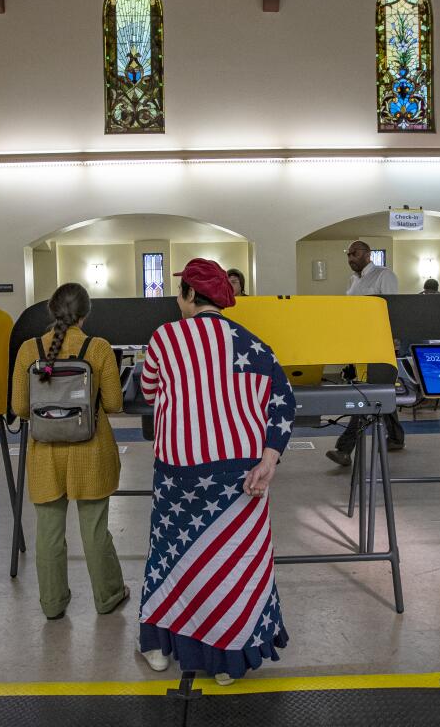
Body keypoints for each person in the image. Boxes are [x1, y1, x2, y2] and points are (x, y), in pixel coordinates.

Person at [136, 258, 296, 684]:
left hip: (178, 474)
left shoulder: (166, 337)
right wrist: (270, 458)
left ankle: (158, 645)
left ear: (189, 294)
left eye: (179, 291)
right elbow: (284, 402)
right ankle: (226, 661)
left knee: (171, 561)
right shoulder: (255, 344)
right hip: (239, 475)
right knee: (233, 564)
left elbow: (148, 390)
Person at [10, 282, 128, 620]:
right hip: (90, 451)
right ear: (86, 314)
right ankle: (108, 597)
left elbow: (19, 407)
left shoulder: (28, 350)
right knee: (94, 529)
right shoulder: (98, 347)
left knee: (48, 532)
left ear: (50, 310)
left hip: (45, 452)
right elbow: (116, 404)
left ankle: (52, 605)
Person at [326, 241, 405, 466]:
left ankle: (344, 448)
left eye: (355, 253)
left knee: (366, 395)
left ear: (368, 254)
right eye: (348, 254)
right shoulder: (353, 281)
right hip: (361, 345)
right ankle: (397, 438)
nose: (351, 257)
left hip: (382, 346)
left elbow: (393, 311)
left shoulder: (384, 275)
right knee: (379, 391)